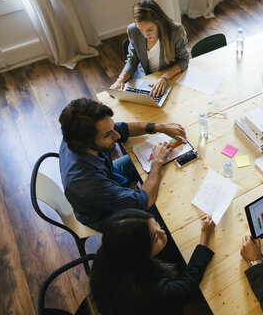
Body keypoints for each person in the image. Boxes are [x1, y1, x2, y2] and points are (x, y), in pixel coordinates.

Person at [59, 98, 186, 231]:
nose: (117, 135)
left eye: (112, 127)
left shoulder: (75, 131)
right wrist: (157, 162)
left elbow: (122, 129)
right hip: (108, 216)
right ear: (86, 143)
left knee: (144, 164)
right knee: (168, 205)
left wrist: (158, 127)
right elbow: (144, 201)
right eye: (108, 134)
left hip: (108, 174)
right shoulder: (88, 185)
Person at [90, 209, 215, 315]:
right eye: (155, 238)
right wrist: (205, 236)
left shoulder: (111, 252)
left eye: (157, 224)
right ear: (139, 253)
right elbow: (187, 283)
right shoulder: (151, 292)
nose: (162, 232)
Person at [110, 0, 190, 97]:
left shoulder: (175, 31)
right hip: (145, 77)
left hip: (169, 75)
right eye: (141, 30)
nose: (145, 35)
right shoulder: (132, 30)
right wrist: (120, 79)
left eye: (150, 30)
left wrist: (164, 77)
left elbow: (184, 60)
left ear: (159, 22)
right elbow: (132, 60)